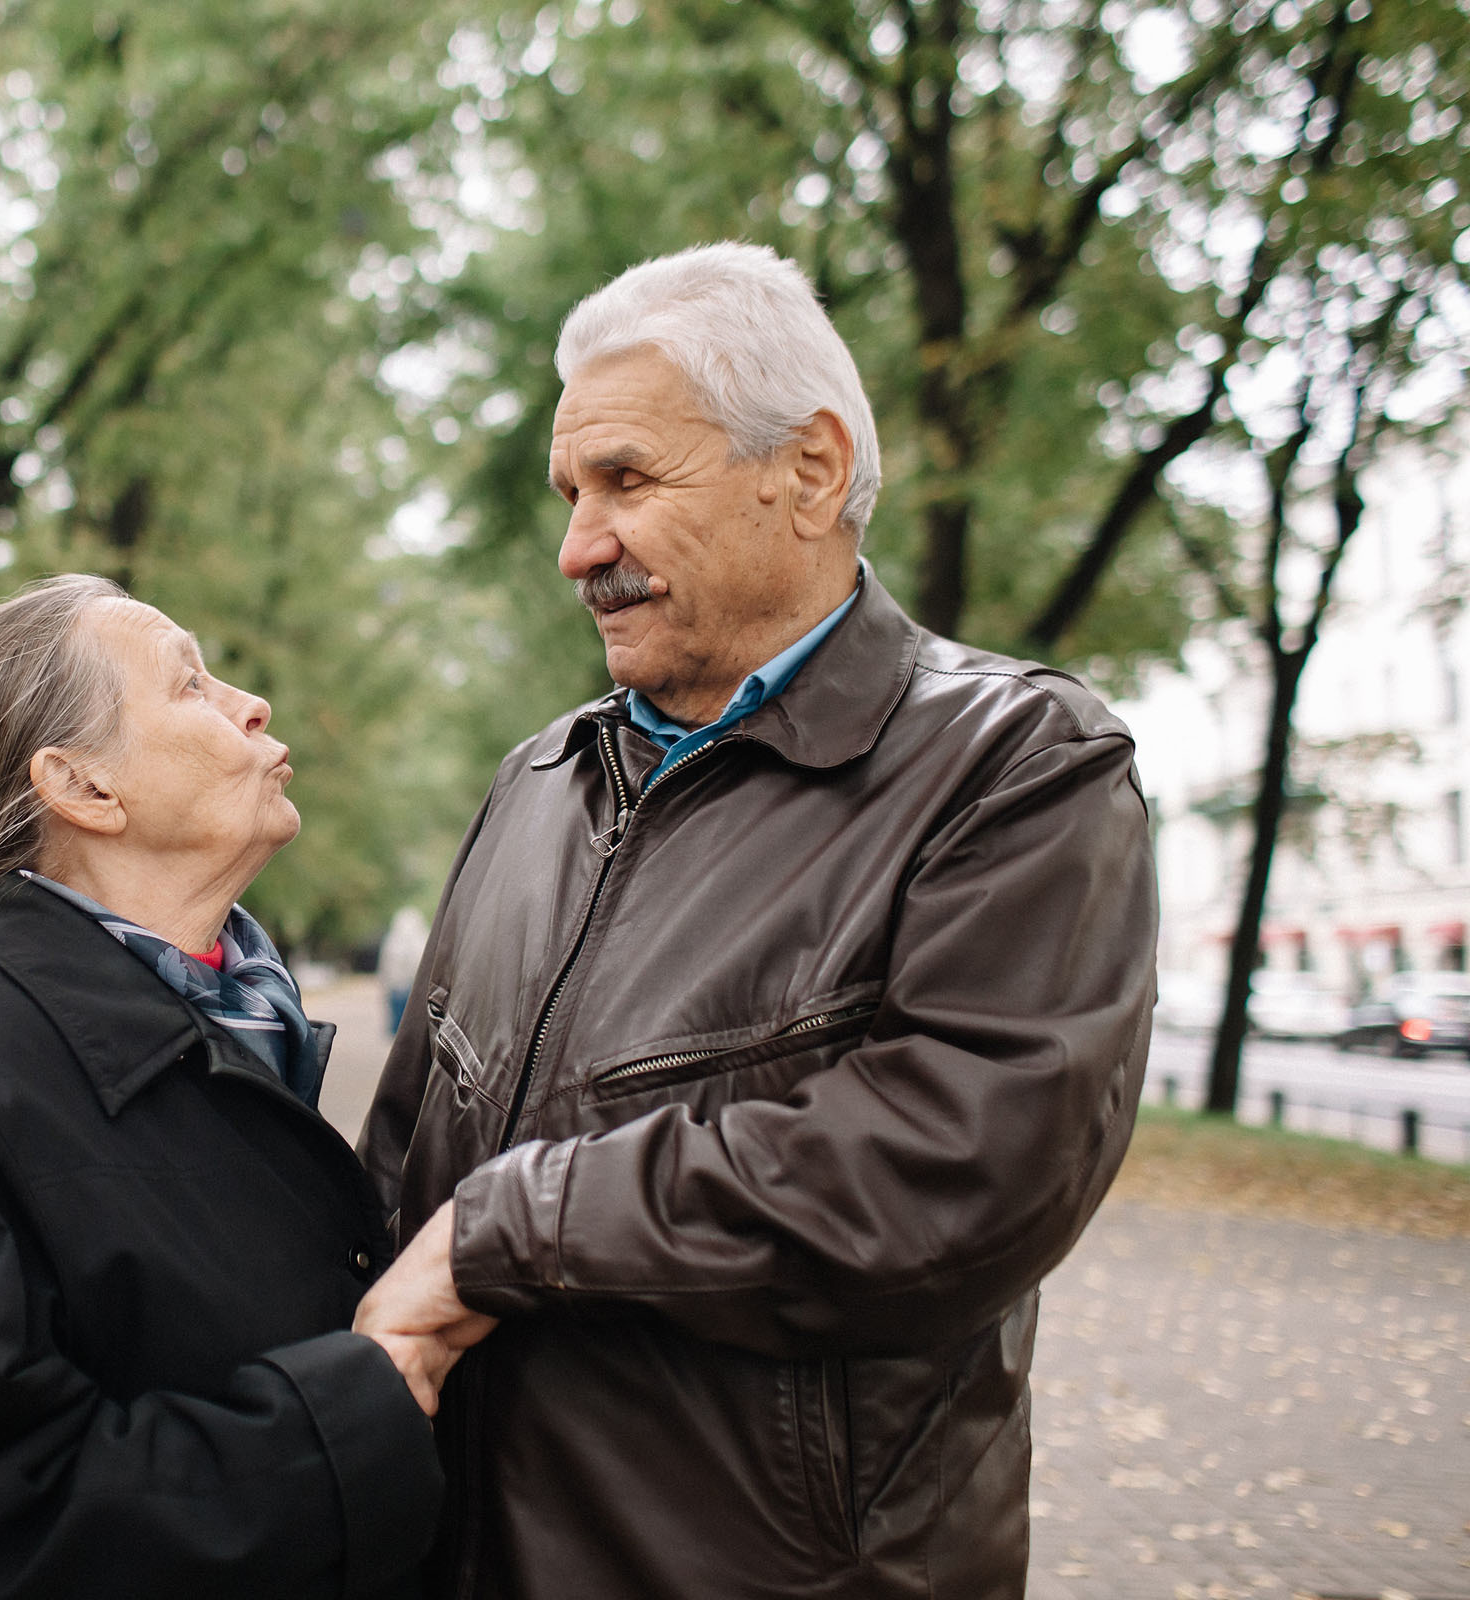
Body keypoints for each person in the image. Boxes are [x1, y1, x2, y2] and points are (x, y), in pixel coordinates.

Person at [353, 243, 1156, 1598]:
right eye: (569, 493)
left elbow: (951, 1171)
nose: (576, 548)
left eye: (625, 481)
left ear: (812, 471)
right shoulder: (538, 780)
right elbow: (404, 1158)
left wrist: (516, 1229)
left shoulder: (1021, 764)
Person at [0, 574, 445, 1600]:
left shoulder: (221, 1020)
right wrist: (360, 1402)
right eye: (190, 684)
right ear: (83, 788)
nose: (250, 704)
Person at [377, 906, 430, 1035]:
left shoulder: (392, 941)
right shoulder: (423, 940)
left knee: (399, 1025)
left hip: (398, 987)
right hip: (411, 988)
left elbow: (385, 965)